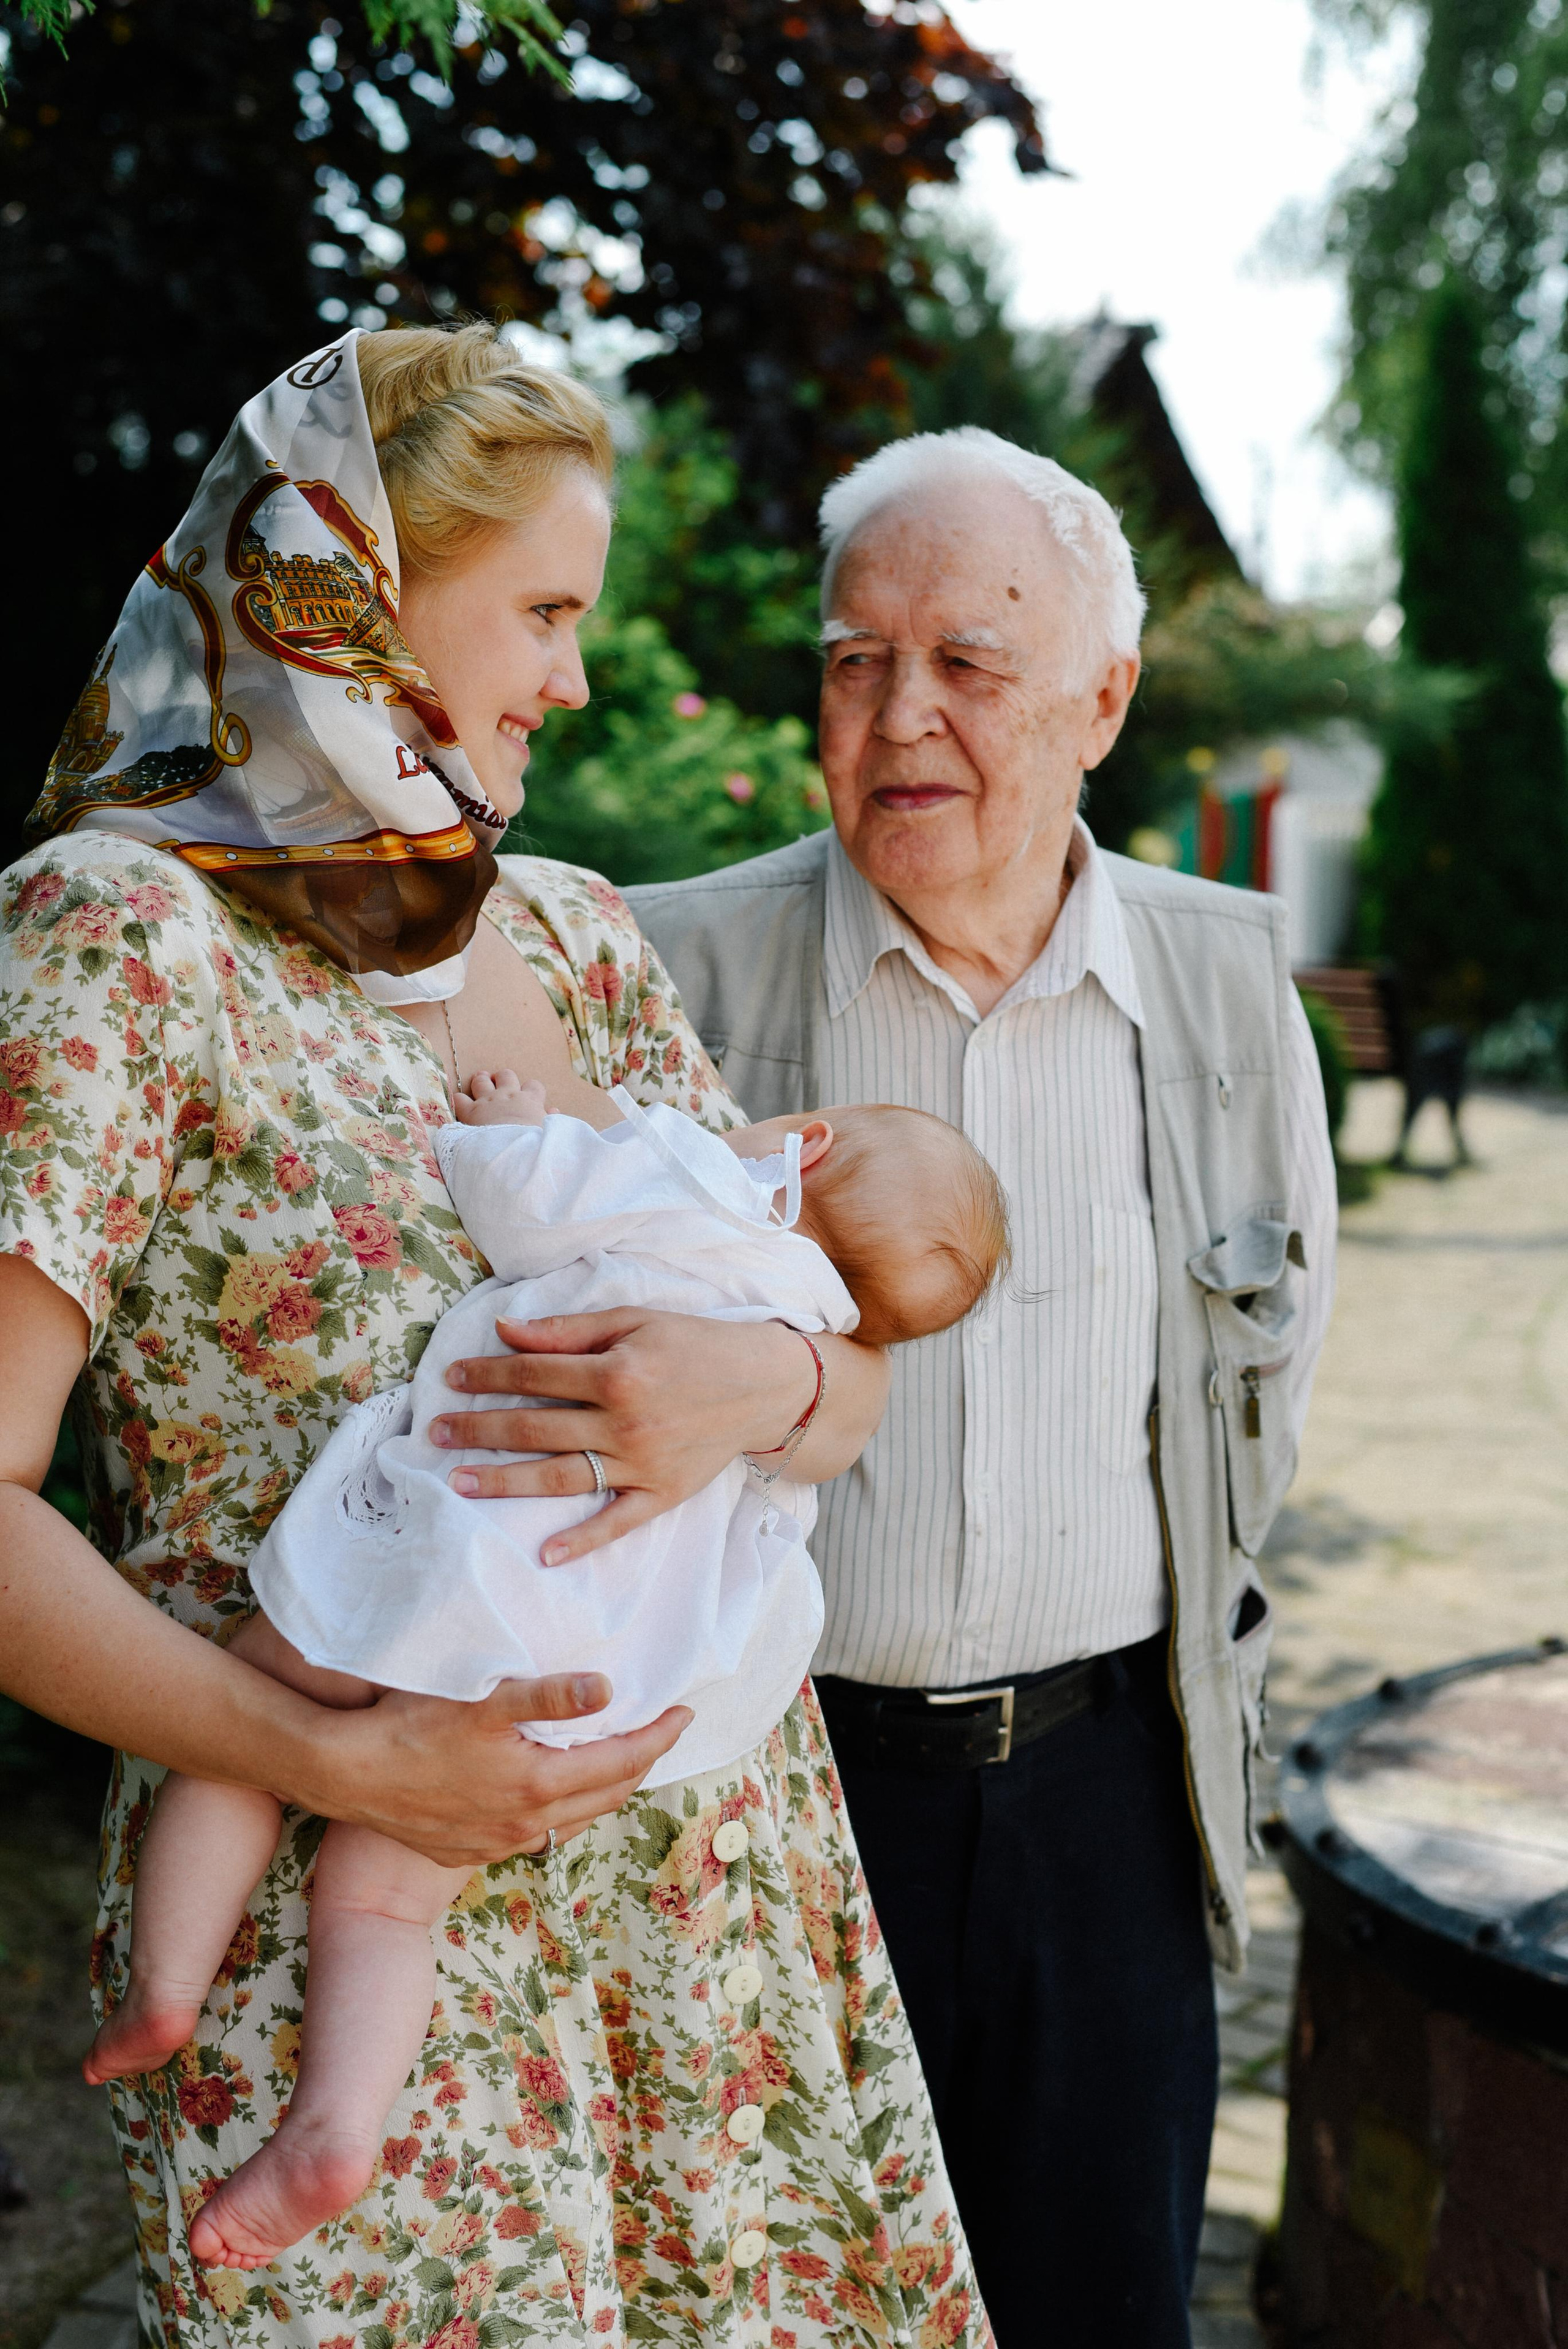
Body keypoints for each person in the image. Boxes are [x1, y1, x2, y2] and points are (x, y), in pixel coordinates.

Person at [0, 327, 995, 2349]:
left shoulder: (574, 934)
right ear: (352, 592)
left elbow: (821, 1340)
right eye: (542, 608)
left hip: (715, 1920)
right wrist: (339, 1753)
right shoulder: (118, 932)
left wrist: (775, 1384)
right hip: (334, 1949)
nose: (575, 671)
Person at [630, 425, 1338, 2348]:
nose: (902, 711)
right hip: (766, 1800)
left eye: (970, 662)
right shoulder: (670, 967)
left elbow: (1265, 1386)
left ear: (1103, 701)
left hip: (1106, 1801)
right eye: (858, 661)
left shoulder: (1218, 991)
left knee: (1099, 2313)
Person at [86, 1068, 1008, 2271]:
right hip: (582, 1665)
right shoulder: (808, 1322)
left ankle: (163, 1986)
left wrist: (520, 1122)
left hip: (451, 1564)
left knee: (242, 1741)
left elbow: (522, 1205)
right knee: (380, 1898)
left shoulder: (697, 1183)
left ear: (806, 1144)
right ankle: (333, 2131)